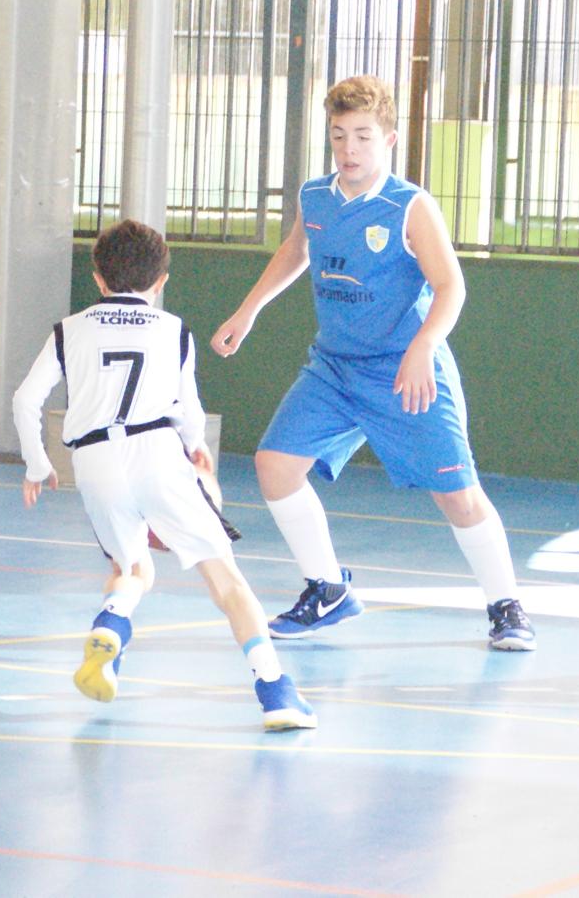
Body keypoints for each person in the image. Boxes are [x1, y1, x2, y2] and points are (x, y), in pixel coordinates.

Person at [210, 75, 535, 651]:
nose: (349, 148)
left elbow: (450, 286)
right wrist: (249, 309)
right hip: (334, 368)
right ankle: (328, 590)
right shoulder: (316, 196)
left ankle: (506, 606)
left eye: (362, 135)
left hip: (405, 367)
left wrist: (423, 348)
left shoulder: (409, 205)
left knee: (457, 493)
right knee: (274, 465)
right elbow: (296, 250)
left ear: (387, 139)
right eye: (339, 136)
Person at [12, 219, 317, 731]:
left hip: (93, 460)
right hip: (155, 449)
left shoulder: (68, 330)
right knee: (226, 581)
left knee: (132, 570)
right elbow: (188, 410)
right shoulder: (172, 329)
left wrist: (38, 464)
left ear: (98, 278)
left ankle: (111, 626)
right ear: (161, 281)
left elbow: (26, 400)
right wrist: (197, 449)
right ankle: (275, 690)